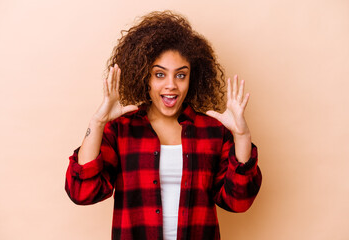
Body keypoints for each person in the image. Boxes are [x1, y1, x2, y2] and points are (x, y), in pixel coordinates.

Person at [65, 10, 262, 240]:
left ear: (193, 78)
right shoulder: (122, 129)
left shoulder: (213, 132)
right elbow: (82, 193)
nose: (171, 85)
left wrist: (241, 135)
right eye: (160, 74)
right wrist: (97, 123)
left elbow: (239, 202)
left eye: (180, 75)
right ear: (144, 77)